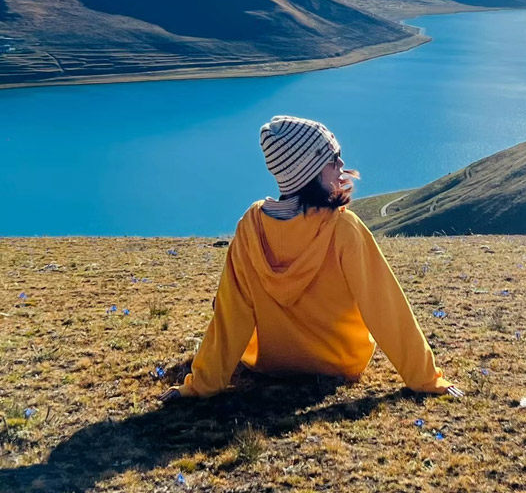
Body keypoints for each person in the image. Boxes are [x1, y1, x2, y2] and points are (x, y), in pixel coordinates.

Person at [159, 115, 462, 402]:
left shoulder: (250, 227)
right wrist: (426, 379)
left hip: (270, 364)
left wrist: (201, 384)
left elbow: (231, 313)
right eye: (332, 158)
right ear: (309, 171)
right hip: (339, 363)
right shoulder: (343, 228)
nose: (341, 164)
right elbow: (385, 307)